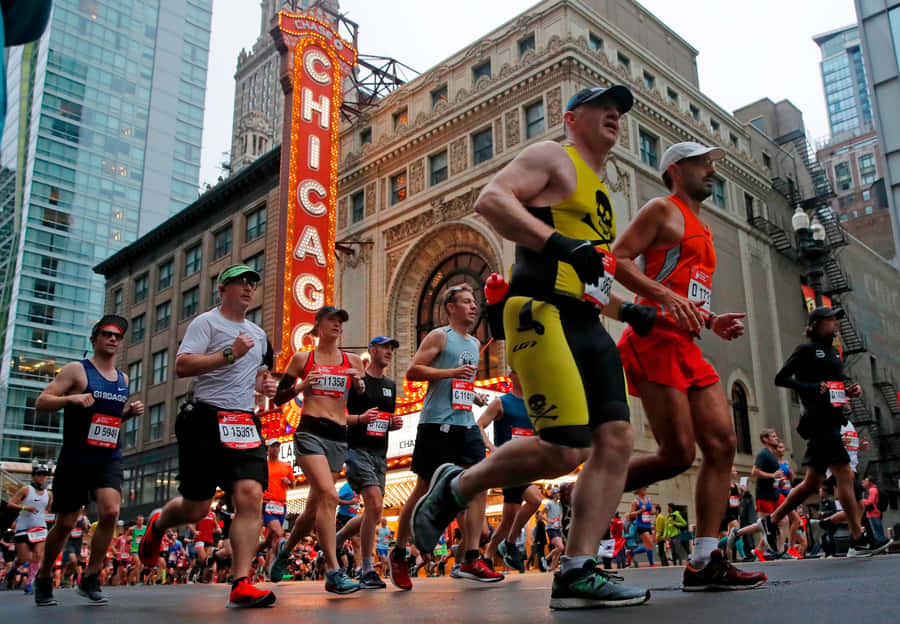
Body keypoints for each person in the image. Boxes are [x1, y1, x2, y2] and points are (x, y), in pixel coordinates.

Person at [410, 85, 653, 609]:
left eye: (621, 110)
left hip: (587, 322)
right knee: (567, 448)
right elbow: (491, 201)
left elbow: (590, 271)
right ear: (571, 117)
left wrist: (627, 310)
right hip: (539, 314)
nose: (615, 114)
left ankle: (577, 569)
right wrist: (561, 244)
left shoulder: (601, 189)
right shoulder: (550, 157)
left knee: (615, 441)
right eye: (602, 106)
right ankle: (458, 485)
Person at [611, 140, 766, 591]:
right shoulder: (661, 209)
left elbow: (686, 290)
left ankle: (704, 560)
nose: (711, 172)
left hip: (688, 343)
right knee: (676, 454)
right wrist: (662, 299)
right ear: (676, 169)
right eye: (703, 163)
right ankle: (588, 492)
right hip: (652, 338)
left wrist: (712, 320)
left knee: (722, 445)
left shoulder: (703, 225)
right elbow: (617, 259)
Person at [137, 264, 278, 608]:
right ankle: (158, 524)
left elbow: (258, 377)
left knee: (250, 495)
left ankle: (241, 582)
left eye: (252, 283)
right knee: (198, 507)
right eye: (240, 282)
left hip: (243, 421)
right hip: (204, 417)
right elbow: (183, 366)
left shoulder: (258, 335)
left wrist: (266, 385)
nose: (248, 288)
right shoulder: (206, 323)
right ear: (223, 289)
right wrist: (229, 352)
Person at [386, 283, 500, 590]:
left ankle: (472, 557)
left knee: (480, 484)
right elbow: (413, 371)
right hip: (436, 425)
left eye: (474, 302)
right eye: (465, 301)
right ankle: (398, 552)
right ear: (451, 308)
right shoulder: (439, 336)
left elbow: (460, 382)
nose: (473, 307)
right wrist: (450, 374)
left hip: (465, 424)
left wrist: (472, 394)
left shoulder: (475, 344)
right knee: (424, 488)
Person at [30, 314, 144, 606]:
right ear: (94, 339)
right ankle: (44, 576)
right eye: (106, 334)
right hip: (76, 457)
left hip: (108, 456)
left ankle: (91, 577)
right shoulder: (77, 371)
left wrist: (128, 414)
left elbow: (110, 419)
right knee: (66, 523)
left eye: (117, 336)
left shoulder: (123, 379)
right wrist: (71, 399)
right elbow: (42, 401)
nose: (113, 339)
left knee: (110, 512)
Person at [756, 306, 887, 557]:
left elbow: (833, 387)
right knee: (845, 473)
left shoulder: (835, 354)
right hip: (818, 420)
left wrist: (848, 391)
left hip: (833, 418)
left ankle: (772, 520)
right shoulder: (805, 350)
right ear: (815, 325)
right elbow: (781, 378)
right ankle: (858, 538)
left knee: (811, 482)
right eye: (830, 320)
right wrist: (814, 387)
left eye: (836, 320)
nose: (835, 324)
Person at [269, 305, 366, 594]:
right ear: (318, 326)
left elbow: (360, 399)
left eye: (341, 321)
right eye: (332, 320)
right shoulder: (303, 359)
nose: (337, 325)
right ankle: (334, 572)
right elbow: (278, 398)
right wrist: (301, 388)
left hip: (338, 436)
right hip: (310, 433)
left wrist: (359, 384)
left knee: (312, 511)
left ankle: (285, 550)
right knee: (328, 495)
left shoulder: (352, 361)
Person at [333, 335, 403, 589]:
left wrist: (392, 424)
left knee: (373, 511)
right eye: (385, 347)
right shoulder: (356, 381)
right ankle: (366, 568)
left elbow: (385, 419)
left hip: (380, 453)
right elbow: (341, 414)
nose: (389, 352)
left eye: (392, 348)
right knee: (373, 503)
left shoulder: (391, 385)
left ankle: (338, 537)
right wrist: (361, 418)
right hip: (357, 450)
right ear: (372, 350)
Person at [476, 370, 541, 573]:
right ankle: (511, 543)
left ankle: (488, 556)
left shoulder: (533, 405)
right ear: (511, 375)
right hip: (508, 465)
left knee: (507, 519)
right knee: (535, 499)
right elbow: (479, 425)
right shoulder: (501, 402)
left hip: (525, 466)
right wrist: (491, 447)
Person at [5, 463, 52, 595]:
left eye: (45, 475)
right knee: (24, 558)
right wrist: (26, 508)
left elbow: (49, 509)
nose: (42, 477)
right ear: (33, 476)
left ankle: (30, 583)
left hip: (40, 527)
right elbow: (10, 504)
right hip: (24, 527)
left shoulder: (49, 494)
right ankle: (14, 568)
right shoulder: (26, 490)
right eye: (40, 475)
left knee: (37, 556)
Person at [261, 441, 294, 578]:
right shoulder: (262, 466)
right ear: (268, 449)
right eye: (272, 446)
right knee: (279, 533)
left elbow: (293, 484)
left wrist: (288, 482)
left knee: (271, 540)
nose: (275, 449)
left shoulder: (286, 465)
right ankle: (275, 562)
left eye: (277, 446)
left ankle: (269, 567)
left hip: (281, 505)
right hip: (267, 503)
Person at [627, 488, 655, 567]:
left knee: (649, 545)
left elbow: (653, 511)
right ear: (639, 491)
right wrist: (640, 511)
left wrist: (653, 511)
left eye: (646, 489)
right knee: (649, 543)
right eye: (643, 489)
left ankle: (632, 552)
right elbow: (631, 514)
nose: (645, 490)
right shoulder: (635, 501)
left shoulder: (649, 499)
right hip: (640, 525)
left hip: (648, 525)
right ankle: (651, 564)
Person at [861, 477, 886, 545]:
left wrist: (861, 501)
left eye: (866, 481)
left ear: (870, 482)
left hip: (873, 514)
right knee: (877, 531)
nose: (864, 482)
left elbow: (870, 502)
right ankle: (882, 545)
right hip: (873, 513)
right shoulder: (873, 489)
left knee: (877, 531)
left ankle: (881, 545)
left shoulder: (872, 490)